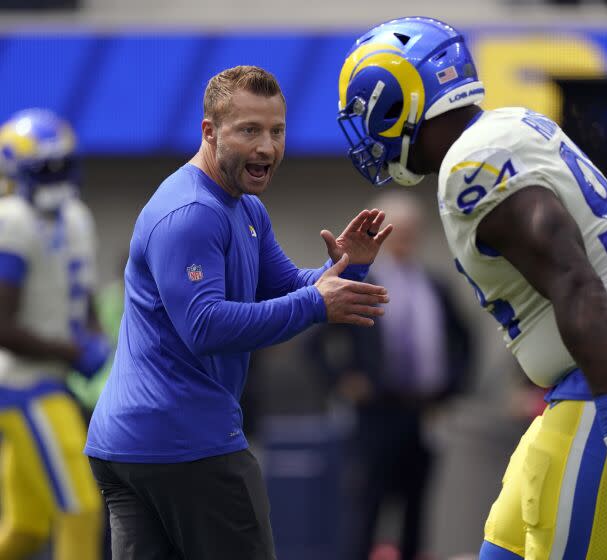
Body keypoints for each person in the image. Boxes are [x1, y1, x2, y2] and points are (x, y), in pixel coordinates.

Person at [336, 18, 607, 560]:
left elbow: (578, 279)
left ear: (405, 97)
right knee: (504, 549)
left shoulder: (472, 167)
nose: (371, 135)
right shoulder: (514, 125)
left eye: (370, 114)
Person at [84, 65, 392, 560]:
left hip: (130, 447)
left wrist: (344, 269)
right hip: (185, 444)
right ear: (210, 132)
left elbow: (287, 285)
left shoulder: (245, 208)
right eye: (249, 130)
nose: (267, 147)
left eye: (276, 131)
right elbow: (205, 326)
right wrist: (317, 303)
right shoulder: (192, 213)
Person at [312, 190, 473, 560]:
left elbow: (465, 339)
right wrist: (343, 379)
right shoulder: (358, 284)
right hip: (375, 414)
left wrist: (452, 386)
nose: (404, 240)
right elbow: (317, 342)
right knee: (365, 510)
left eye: (411, 231)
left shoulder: (434, 285)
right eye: (396, 232)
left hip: (425, 414)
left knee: (417, 510)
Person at [0, 108, 109, 559]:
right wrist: (68, 348)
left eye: (61, 165)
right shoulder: (12, 220)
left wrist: (93, 334)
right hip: (24, 385)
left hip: (52, 382)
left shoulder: (78, 217)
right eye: (44, 167)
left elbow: (81, 297)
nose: (55, 176)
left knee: (25, 527)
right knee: (80, 508)